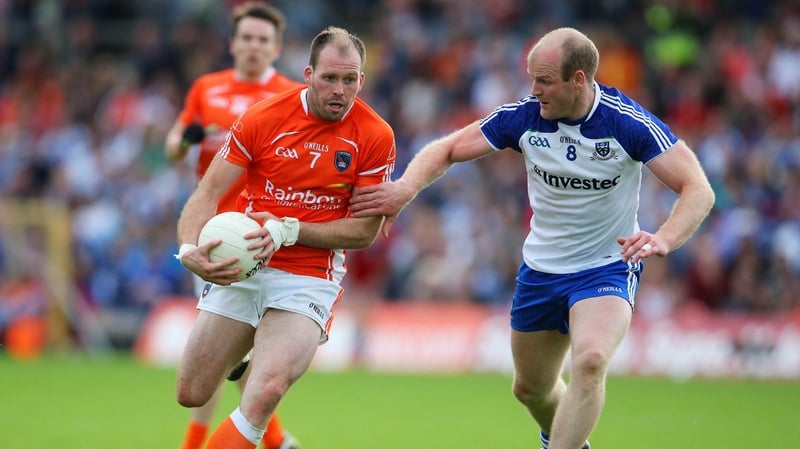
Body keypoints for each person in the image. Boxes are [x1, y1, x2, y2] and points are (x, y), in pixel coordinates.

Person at [349, 27, 715, 449]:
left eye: (544, 80)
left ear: (578, 79)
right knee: (530, 389)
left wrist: (665, 237)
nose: (534, 90)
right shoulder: (524, 117)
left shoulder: (625, 122)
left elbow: (697, 188)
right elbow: (446, 149)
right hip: (542, 270)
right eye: (532, 79)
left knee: (591, 361)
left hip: (606, 266)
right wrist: (404, 188)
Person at [174, 26, 396, 449]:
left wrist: (288, 229)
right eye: (330, 78)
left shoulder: (375, 135)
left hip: (308, 278)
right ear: (309, 74)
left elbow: (364, 231)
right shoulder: (264, 117)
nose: (340, 90)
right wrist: (187, 250)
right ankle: (246, 351)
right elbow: (207, 193)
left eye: (349, 80)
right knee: (192, 392)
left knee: (265, 393)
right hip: (245, 265)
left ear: (361, 81)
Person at [164, 3, 303, 449]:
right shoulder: (207, 88)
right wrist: (184, 140)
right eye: (247, 38)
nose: (253, 46)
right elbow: (173, 144)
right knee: (222, 355)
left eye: (263, 40)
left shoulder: (291, 95)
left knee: (237, 354)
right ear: (233, 43)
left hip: (261, 233)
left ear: (276, 48)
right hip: (212, 237)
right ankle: (276, 441)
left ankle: (240, 441)